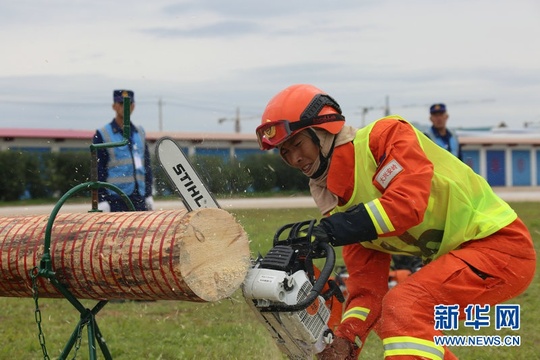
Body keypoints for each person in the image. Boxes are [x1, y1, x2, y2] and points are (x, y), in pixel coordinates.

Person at [255, 84, 536, 360]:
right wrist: (345, 339)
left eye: (296, 145)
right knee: (389, 312)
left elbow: (407, 205)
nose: (294, 159)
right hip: (466, 254)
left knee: (405, 307)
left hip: (501, 247)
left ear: (322, 130)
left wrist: (332, 230)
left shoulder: (386, 135)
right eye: (284, 152)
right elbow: (367, 291)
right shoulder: (334, 195)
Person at [93, 89, 154, 212]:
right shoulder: (103, 134)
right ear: (114, 106)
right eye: (121, 104)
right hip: (115, 198)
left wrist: (148, 194)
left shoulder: (140, 132)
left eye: (129, 104)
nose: (125, 107)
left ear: (133, 106)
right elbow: (98, 168)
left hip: (139, 197)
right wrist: (101, 199)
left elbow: (146, 165)